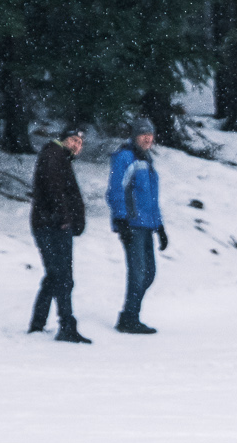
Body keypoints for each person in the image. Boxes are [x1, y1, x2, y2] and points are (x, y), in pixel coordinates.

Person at [27, 125, 91, 342]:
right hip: (50, 225)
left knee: (56, 275)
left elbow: (66, 193)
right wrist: (64, 218)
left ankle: (38, 323)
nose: (76, 145)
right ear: (63, 139)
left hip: (52, 223)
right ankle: (66, 325)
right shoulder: (53, 155)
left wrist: (75, 220)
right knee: (62, 276)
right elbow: (54, 189)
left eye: (80, 143)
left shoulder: (60, 158)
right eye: (73, 140)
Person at [105, 120, 167, 334]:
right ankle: (129, 317)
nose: (148, 138)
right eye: (143, 134)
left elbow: (151, 198)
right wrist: (121, 219)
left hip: (147, 225)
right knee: (138, 272)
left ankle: (129, 315)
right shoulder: (125, 157)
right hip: (132, 224)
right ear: (134, 136)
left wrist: (160, 226)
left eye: (150, 134)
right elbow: (116, 190)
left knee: (149, 273)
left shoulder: (146, 160)